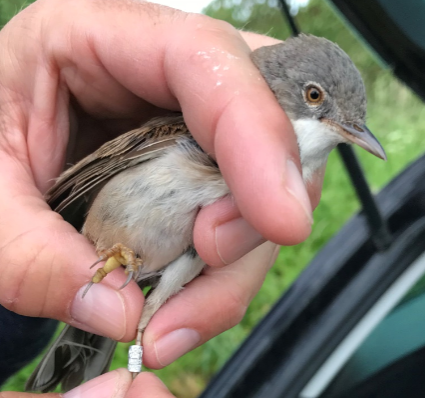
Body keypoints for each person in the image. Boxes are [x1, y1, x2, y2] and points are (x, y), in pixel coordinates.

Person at [0, 0, 325, 396]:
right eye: (315, 97)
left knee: (147, 318)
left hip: (146, 282)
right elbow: (91, 173)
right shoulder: (191, 130)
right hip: (106, 246)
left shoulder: (259, 175)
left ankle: (118, 360)